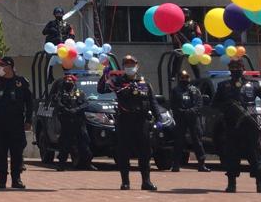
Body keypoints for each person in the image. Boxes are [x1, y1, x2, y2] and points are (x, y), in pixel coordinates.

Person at [98, 55, 159, 192]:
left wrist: (159, 118)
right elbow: (101, 90)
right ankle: (125, 182)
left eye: (132, 64)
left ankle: (146, 181)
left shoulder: (144, 83)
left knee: (145, 153)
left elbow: (153, 102)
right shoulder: (118, 82)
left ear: (137, 65)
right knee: (123, 152)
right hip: (125, 121)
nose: (129, 67)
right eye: (126, 64)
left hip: (142, 122)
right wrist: (104, 75)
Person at [213, 59, 261, 193]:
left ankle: (260, 183)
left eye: (238, 67)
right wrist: (229, 107)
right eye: (233, 67)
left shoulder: (253, 84)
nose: (236, 69)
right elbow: (215, 104)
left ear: (243, 68)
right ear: (229, 69)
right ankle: (231, 183)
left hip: (250, 123)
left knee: (255, 154)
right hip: (232, 124)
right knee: (232, 154)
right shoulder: (223, 86)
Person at [0, 56, 32, 188]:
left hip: (16, 123)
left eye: (2, 65)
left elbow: (29, 102)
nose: (0, 68)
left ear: (10, 67)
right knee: (0, 151)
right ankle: (1, 179)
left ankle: (16, 179)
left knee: (17, 151)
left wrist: (28, 120)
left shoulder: (21, 82)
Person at [169, 70, 210, 172]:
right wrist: (181, 112)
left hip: (193, 118)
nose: (184, 79)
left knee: (197, 141)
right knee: (179, 142)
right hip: (181, 118)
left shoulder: (195, 90)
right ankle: (176, 164)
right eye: (182, 78)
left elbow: (199, 104)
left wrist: (191, 111)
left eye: (186, 77)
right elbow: (173, 105)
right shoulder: (175, 90)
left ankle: (201, 164)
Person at [52, 74, 93, 171]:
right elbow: (57, 103)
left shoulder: (79, 92)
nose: (68, 82)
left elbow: (86, 103)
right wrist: (66, 109)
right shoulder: (61, 93)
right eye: (67, 80)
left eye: (71, 80)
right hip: (66, 123)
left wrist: (76, 109)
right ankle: (61, 164)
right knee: (64, 145)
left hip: (78, 123)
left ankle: (88, 164)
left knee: (84, 144)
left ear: (74, 82)